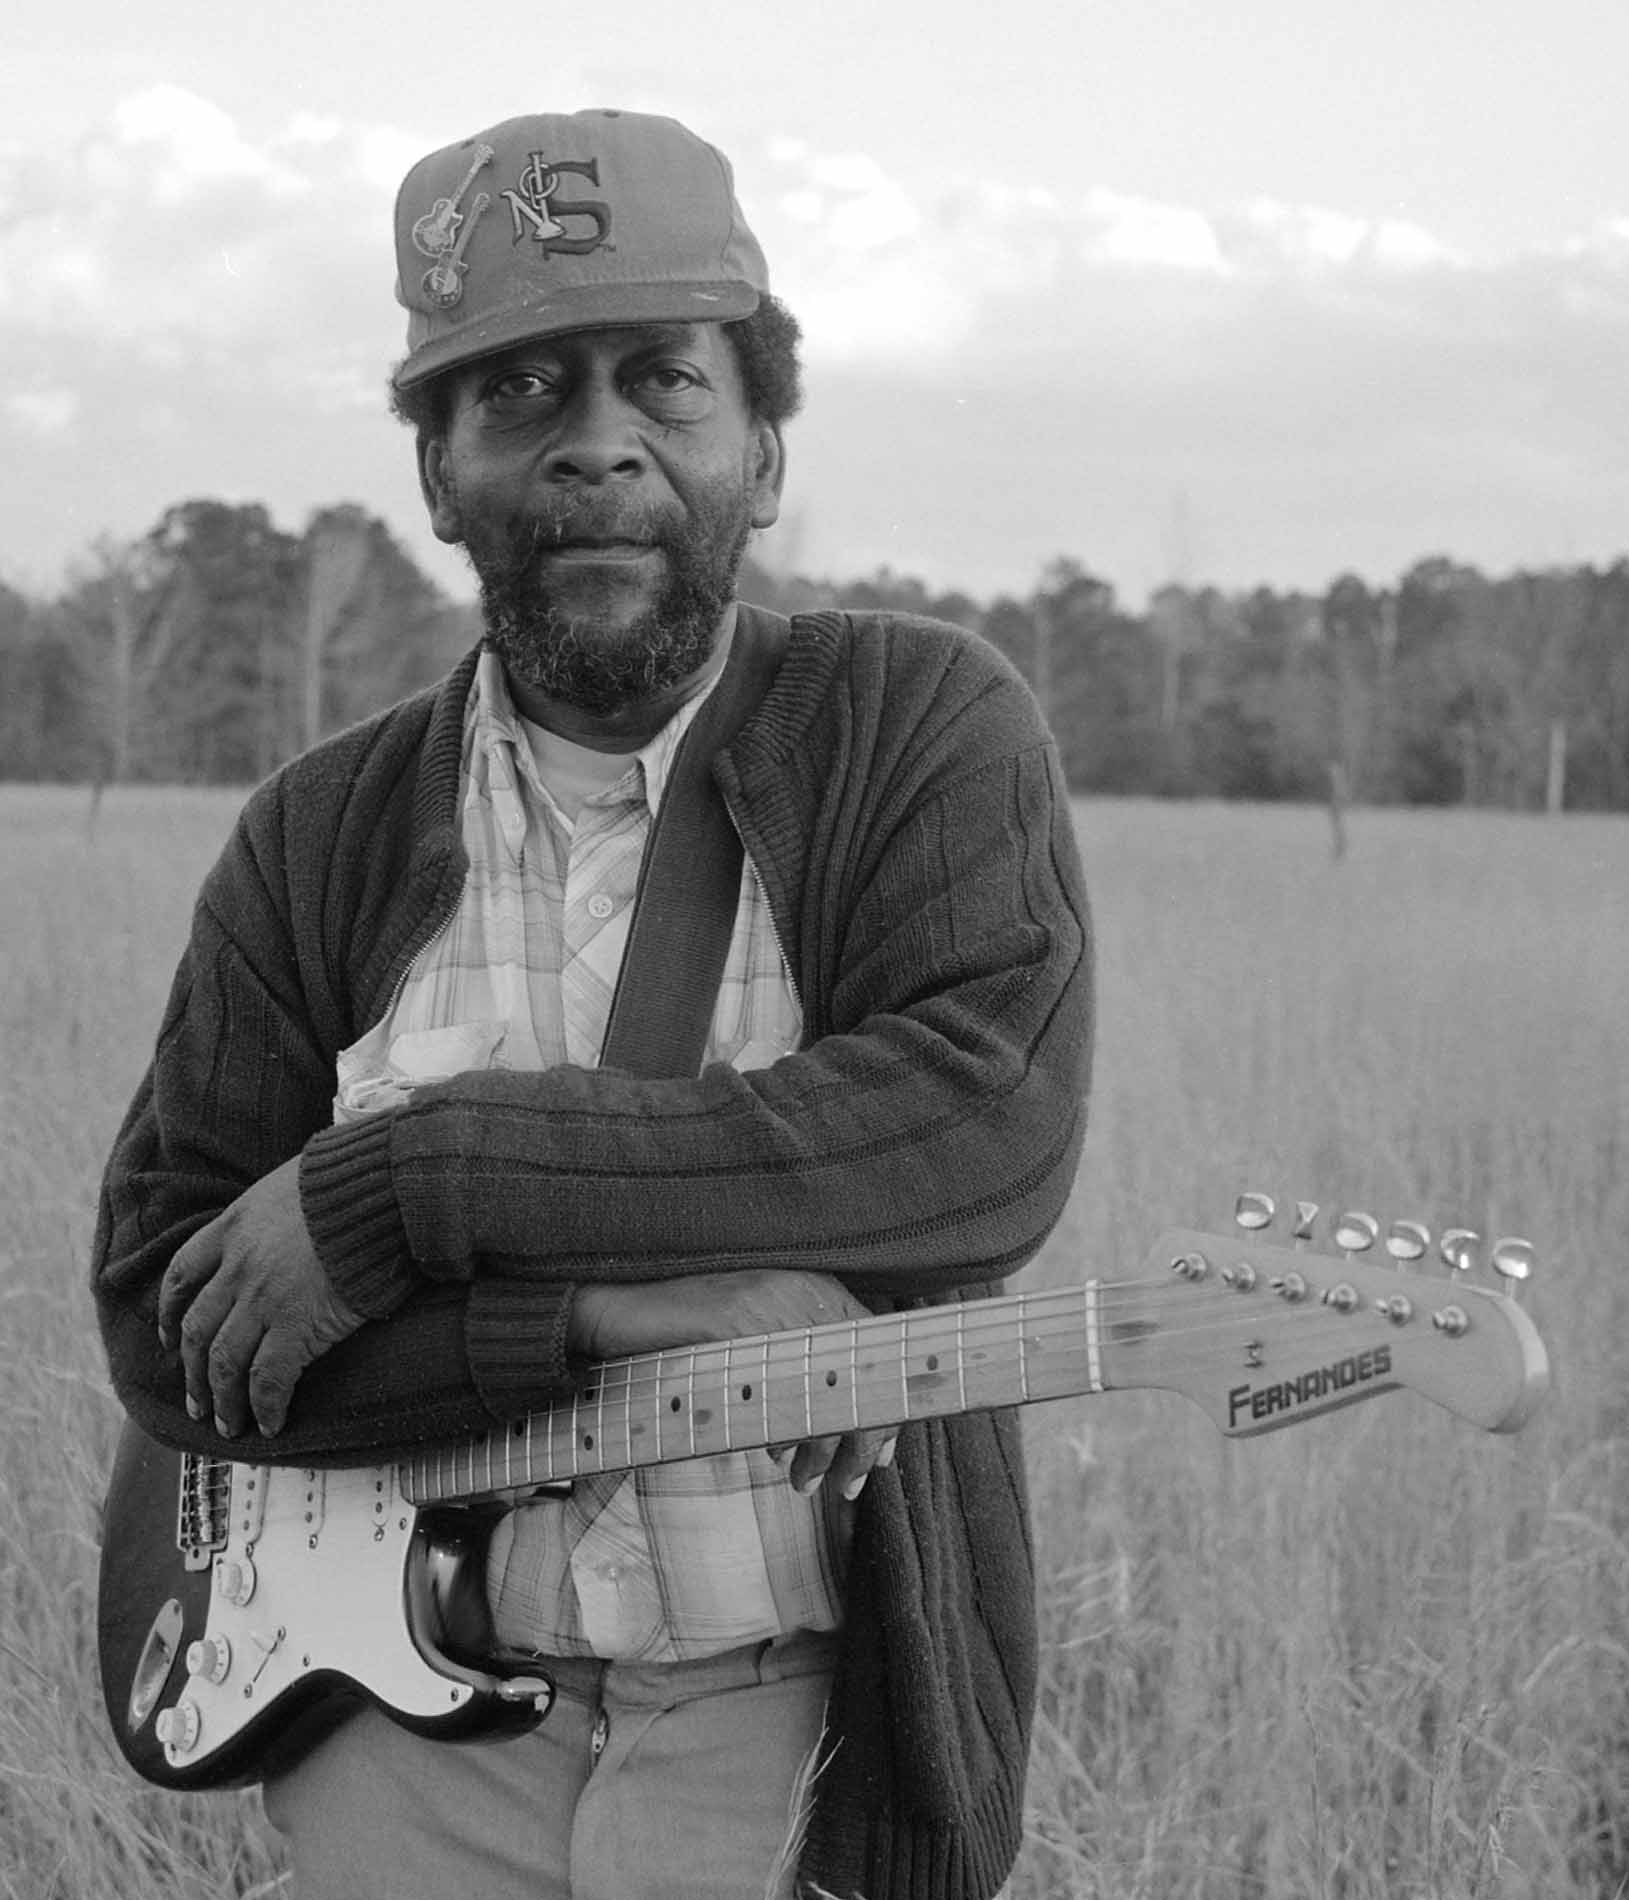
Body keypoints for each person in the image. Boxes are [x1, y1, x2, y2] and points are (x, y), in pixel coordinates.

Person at [91, 108, 1093, 1900]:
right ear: (440, 474)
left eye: (666, 381)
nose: (598, 441)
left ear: (762, 451)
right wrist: (613, 1312)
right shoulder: (316, 834)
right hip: (404, 1745)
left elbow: (978, 1124)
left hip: (801, 1730)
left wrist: (403, 1189)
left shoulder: (921, 727)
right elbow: (169, 1320)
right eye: (523, 390)